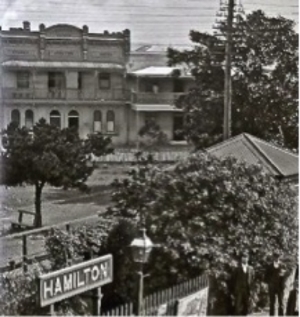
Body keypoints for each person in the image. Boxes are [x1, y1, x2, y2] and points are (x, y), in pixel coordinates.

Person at [231, 250, 255, 315]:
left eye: (246, 257)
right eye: (243, 257)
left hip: (247, 290)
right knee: (237, 308)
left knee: (246, 308)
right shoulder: (237, 269)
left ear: (248, 258)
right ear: (241, 258)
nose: (245, 258)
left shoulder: (251, 269)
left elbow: (252, 281)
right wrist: (233, 291)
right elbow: (233, 280)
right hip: (238, 290)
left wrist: (252, 292)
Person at [264, 251, 288, 316]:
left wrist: (283, 284)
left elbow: (285, 276)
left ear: (279, 257)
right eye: (275, 256)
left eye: (278, 256)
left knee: (281, 303)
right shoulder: (269, 266)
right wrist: (269, 284)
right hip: (272, 287)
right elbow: (266, 277)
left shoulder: (283, 265)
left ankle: (281, 315)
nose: (276, 258)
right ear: (273, 257)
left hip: (280, 287)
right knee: (272, 303)